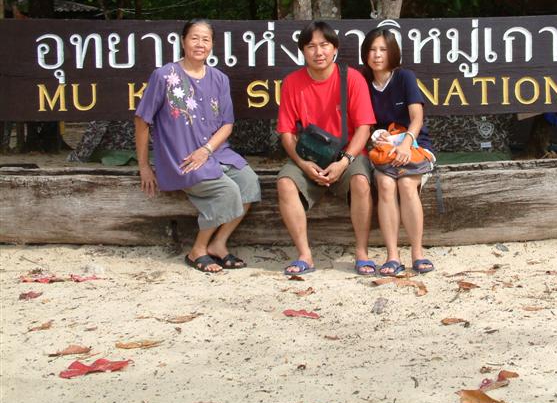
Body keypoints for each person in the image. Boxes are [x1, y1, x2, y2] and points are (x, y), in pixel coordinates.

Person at [134, 18, 261, 273]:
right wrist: (144, 166)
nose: (200, 44)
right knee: (227, 192)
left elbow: (227, 124)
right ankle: (198, 250)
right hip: (182, 158)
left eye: (205, 39)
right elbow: (142, 120)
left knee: (249, 183)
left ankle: (218, 244)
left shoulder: (219, 79)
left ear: (212, 44)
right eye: (194, 38)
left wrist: (207, 150)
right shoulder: (164, 76)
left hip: (215, 152)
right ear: (183, 41)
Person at [276, 21, 376, 276]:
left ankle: (362, 252)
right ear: (303, 51)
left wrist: (344, 162)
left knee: (361, 181)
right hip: (308, 155)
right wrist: (302, 164)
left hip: (347, 154)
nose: (318, 52)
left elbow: (364, 127)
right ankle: (305, 255)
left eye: (324, 45)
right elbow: (286, 132)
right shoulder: (292, 82)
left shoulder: (352, 78)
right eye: (311, 46)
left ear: (335, 48)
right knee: (285, 183)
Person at [361, 28, 435, 276]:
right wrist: (376, 135)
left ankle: (417, 253)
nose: (377, 55)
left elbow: (417, 118)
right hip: (385, 151)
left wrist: (406, 144)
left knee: (406, 184)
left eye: (383, 49)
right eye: (372, 49)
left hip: (414, 146)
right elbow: (364, 123)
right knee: (385, 185)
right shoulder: (363, 82)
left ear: (392, 52)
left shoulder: (404, 77)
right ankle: (392, 256)